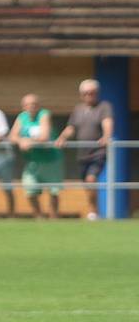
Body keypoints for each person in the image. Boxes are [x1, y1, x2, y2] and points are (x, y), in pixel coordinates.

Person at [54, 79, 113, 220]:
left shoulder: (104, 106)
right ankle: (93, 210)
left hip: (98, 152)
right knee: (86, 184)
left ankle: (93, 212)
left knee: (91, 179)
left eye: (92, 93)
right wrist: (62, 138)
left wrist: (106, 136)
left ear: (97, 93)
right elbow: (71, 128)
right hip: (82, 154)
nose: (89, 96)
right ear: (81, 95)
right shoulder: (78, 109)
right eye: (86, 93)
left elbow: (107, 122)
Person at [10, 94, 64, 219]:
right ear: (23, 107)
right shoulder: (21, 117)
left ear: (38, 105)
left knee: (53, 192)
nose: (31, 107)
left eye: (34, 104)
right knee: (30, 191)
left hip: (51, 159)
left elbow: (44, 136)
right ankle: (39, 217)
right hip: (32, 161)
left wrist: (28, 141)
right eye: (28, 105)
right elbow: (12, 136)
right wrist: (20, 141)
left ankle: (53, 218)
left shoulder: (44, 114)